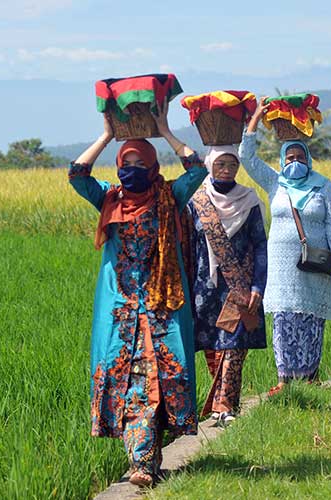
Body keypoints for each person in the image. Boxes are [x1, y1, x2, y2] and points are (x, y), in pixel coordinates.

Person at [68, 101, 206, 487]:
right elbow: (77, 174)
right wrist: (107, 135)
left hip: (162, 306)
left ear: (153, 167)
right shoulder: (109, 199)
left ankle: (149, 458)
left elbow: (197, 169)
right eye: (126, 164)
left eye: (141, 165)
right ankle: (143, 463)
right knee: (130, 382)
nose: (133, 171)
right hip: (120, 310)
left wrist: (165, 132)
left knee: (162, 377)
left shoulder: (169, 197)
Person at [238, 97, 331, 395]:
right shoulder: (274, 182)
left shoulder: (323, 185)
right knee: (284, 317)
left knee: (312, 317)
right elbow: (246, 157)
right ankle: (284, 378)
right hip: (280, 265)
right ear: (281, 160)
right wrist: (255, 118)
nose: (294, 162)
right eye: (289, 158)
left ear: (308, 159)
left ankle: (311, 374)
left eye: (299, 158)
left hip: (315, 261)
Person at [189, 145, 268, 426]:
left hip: (240, 285)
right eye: (220, 163)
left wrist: (259, 285)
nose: (226, 169)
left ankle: (223, 406)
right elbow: (188, 244)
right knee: (213, 345)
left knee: (234, 346)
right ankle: (226, 401)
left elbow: (260, 244)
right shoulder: (197, 200)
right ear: (210, 164)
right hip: (206, 286)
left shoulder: (248, 199)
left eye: (232, 164)